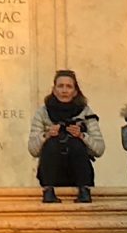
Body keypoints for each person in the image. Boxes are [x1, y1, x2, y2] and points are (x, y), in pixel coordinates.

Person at [28, 70, 105, 201]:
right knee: (52, 143)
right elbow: (32, 150)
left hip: (78, 172)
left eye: (69, 86)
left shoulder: (86, 112)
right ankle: (48, 192)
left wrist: (82, 136)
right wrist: (46, 135)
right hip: (52, 172)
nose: (64, 90)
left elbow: (99, 149)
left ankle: (84, 192)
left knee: (75, 143)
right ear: (54, 90)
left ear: (75, 91)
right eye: (60, 86)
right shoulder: (42, 113)